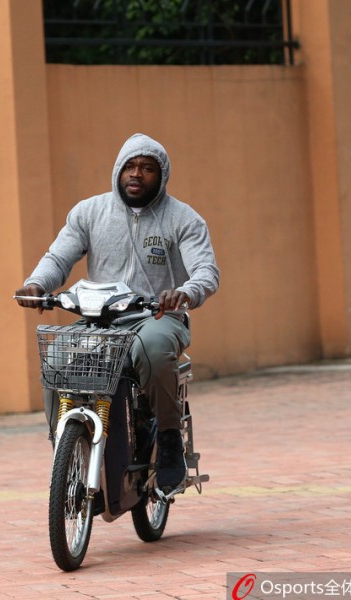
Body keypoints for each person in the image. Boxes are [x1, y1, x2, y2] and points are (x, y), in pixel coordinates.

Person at [15, 133, 220, 492]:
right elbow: (58, 258)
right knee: (57, 357)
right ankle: (65, 451)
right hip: (99, 320)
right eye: (129, 166)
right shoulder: (89, 212)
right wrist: (36, 284)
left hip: (156, 317)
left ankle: (169, 439)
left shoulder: (184, 219)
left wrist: (185, 292)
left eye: (147, 168)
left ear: (162, 175)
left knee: (153, 350)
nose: (136, 174)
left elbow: (206, 272)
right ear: (118, 171)